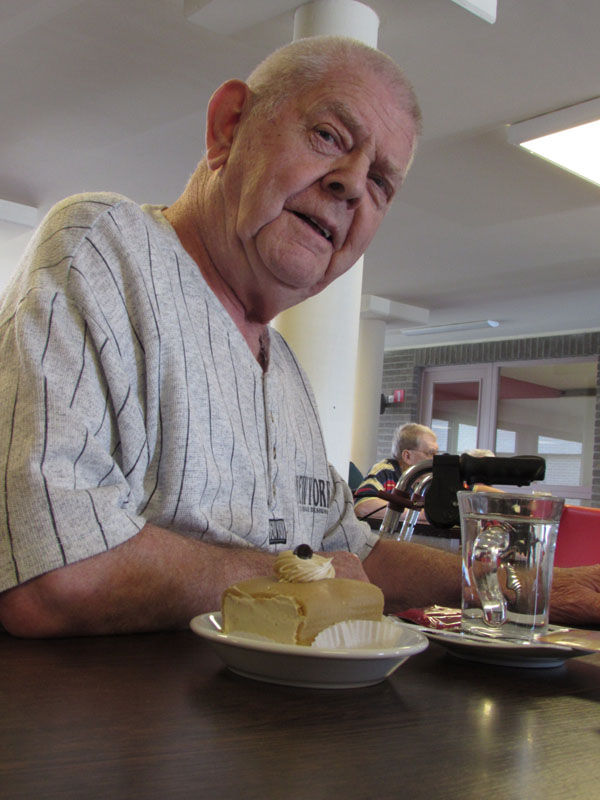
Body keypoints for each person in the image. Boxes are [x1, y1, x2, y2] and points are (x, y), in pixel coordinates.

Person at [0, 37, 599, 637]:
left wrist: (529, 586)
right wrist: (298, 580)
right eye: (329, 136)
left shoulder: (283, 370)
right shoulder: (103, 249)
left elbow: (357, 558)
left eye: (381, 182)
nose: (353, 185)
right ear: (228, 127)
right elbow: (51, 572)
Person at [354, 423, 438, 521]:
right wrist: (420, 515)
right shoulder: (385, 472)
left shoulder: (428, 481)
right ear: (407, 456)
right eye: (431, 453)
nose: (436, 459)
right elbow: (363, 507)